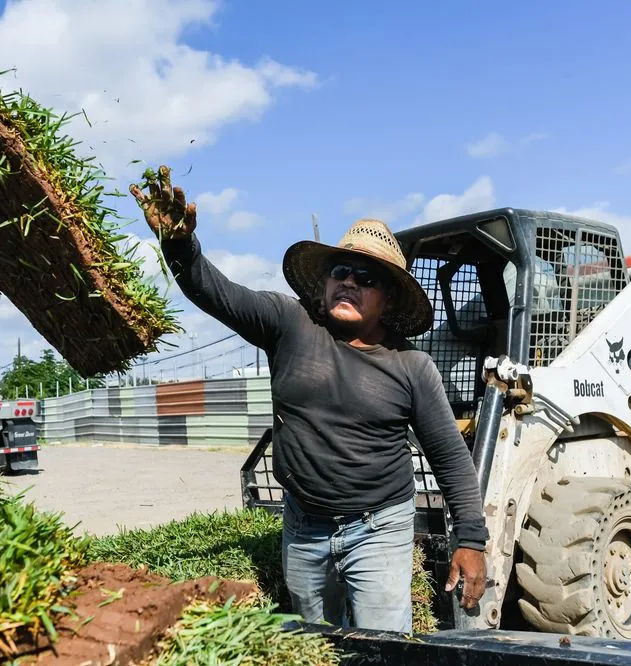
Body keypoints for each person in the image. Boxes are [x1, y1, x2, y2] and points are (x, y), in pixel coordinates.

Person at [130, 166, 489, 634]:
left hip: (378, 527)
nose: (350, 281)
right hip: (304, 525)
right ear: (324, 282)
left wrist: (471, 539)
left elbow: (449, 456)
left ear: (388, 298)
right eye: (341, 271)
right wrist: (179, 246)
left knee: (384, 646)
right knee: (317, 644)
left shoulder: (410, 366)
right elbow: (216, 293)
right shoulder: (290, 323)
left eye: (367, 277)